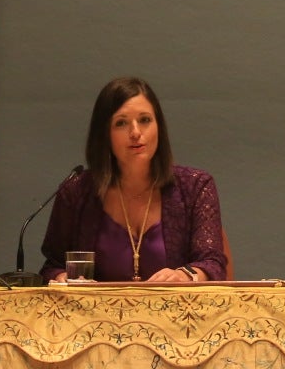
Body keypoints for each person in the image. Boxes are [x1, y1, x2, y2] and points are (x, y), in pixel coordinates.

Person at [40, 76, 229, 282]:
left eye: (145, 120)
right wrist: (63, 278)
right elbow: (52, 265)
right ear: (104, 134)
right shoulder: (75, 191)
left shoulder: (195, 187)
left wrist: (183, 276)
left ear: (159, 126)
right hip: (99, 313)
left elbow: (212, 263)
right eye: (121, 123)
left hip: (174, 312)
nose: (136, 132)